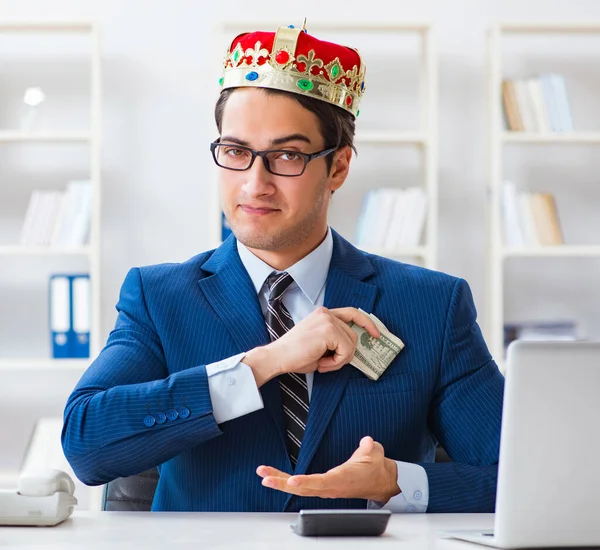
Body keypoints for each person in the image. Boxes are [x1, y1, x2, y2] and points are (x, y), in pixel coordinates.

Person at [62, 23, 504, 513]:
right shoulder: (160, 296)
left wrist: (397, 483)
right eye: (235, 152)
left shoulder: (432, 306)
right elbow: (86, 444)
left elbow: (520, 479)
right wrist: (265, 363)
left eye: (287, 155)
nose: (255, 184)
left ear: (338, 167)